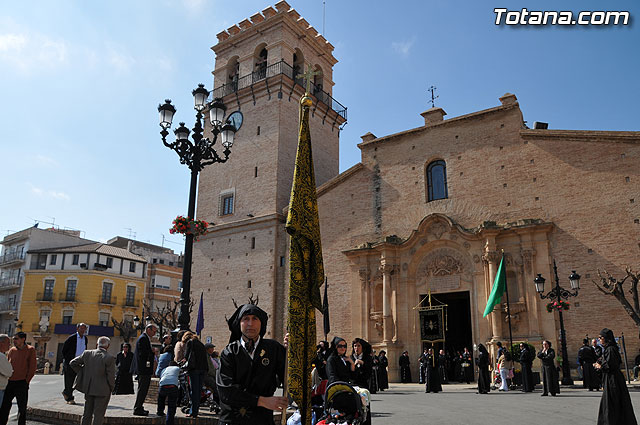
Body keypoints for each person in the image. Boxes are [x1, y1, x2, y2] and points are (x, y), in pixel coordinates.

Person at [217, 303, 287, 425]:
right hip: (232, 420)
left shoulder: (274, 349)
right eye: (246, 319)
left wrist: (294, 352)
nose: (250, 324)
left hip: (262, 420)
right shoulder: (229, 352)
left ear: (262, 323)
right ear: (239, 323)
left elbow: (290, 378)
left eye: (255, 318)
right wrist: (262, 401)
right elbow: (226, 392)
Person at [594, 328, 638, 425]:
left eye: (600, 337)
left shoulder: (611, 349)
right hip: (610, 379)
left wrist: (600, 366)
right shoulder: (609, 349)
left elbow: (610, 365)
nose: (599, 340)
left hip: (613, 381)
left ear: (606, 338)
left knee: (613, 404)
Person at [70, 336, 116, 425]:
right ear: (108, 346)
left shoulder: (87, 353)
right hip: (103, 390)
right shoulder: (109, 358)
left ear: (97, 344)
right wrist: (112, 388)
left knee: (87, 413)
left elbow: (73, 363)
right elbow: (110, 376)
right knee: (98, 415)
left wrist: (82, 372)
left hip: (89, 387)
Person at [0, 331, 37, 425]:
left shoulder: (30, 350)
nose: (14, 341)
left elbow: (32, 367)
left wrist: (26, 381)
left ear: (23, 339)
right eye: (13, 339)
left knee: (22, 408)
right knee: (5, 406)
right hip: (10, 382)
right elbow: (7, 364)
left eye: (16, 339)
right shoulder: (12, 350)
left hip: (22, 383)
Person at [132, 323, 157, 416]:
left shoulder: (145, 338)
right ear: (148, 330)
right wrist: (152, 352)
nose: (154, 334)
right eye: (154, 331)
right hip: (143, 369)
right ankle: (137, 408)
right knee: (142, 389)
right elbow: (143, 354)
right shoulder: (143, 338)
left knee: (143, 389)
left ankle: (139, 406)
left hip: (144, 369)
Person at [61, 323, 88, 405]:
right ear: (77, 329)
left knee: (77, 380)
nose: (82, 330)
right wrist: (68, 359)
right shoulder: (71, 338)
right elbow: (64, 350)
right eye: (81, 328)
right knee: (69, 380)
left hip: (79, 362)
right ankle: (70, 398)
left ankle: (66, 392)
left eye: (84, 328)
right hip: (71, 362)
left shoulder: (85, 339)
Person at [183, 333, 209, 418]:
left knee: (193, 391)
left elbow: (186, 356)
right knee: (198, 391)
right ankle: (195, 411)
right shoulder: (201, 344)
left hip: (194, 369)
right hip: (203, 369)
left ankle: (193, 412)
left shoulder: (190, 342)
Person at [157, 360, 180, 425]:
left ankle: (160, 412)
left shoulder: (164, 369)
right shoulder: (177, 368)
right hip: (172, 387)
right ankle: (169, 421)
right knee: (171, 405)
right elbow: (181, 376)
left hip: (162, 386)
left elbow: (160, 376)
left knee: (161, 398)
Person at [0, 335, 13, 405]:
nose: (9, 344)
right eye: (8, 342)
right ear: (1, 343)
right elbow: (9, 372)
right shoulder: (1, 357)